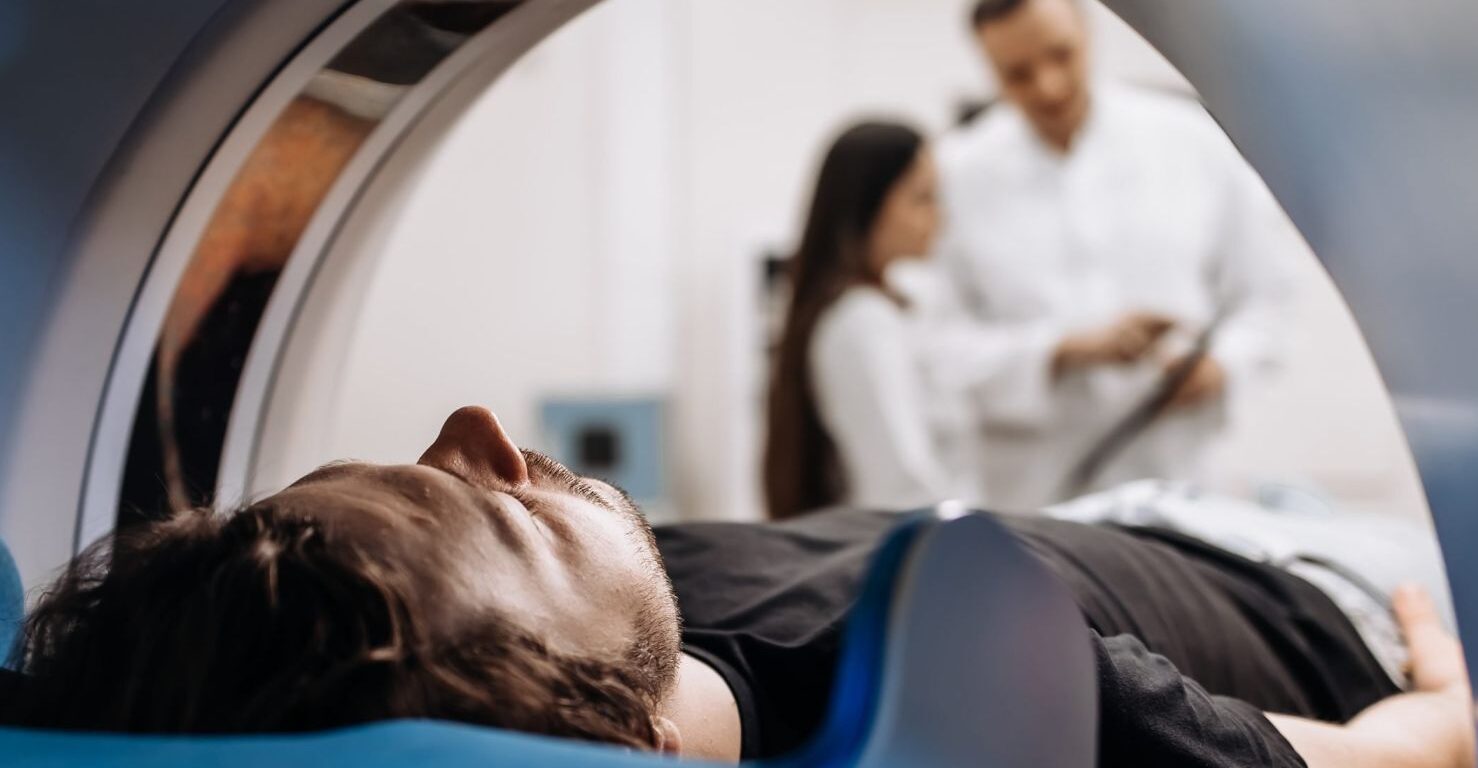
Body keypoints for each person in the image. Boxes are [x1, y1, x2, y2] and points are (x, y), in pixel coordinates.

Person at [6, 406, 1473, 768]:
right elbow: (1420, 747)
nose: (476, 430)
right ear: (624, 740)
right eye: (496, 513)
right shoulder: (999, 694)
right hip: (1313, 587)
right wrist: (1439, 668)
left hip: (1091, 522)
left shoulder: (637, 603)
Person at [935, 0, 1299, 508]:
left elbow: (1265, 293)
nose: (1048, 86)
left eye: (1061, 55)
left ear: (1088, 31)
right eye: (1018, 74)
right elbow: (936, 345)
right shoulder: (955, 175)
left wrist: (1218, 366)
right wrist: (1061, 351)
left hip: (1179, 480)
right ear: (987, 67)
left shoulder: (1191, 141)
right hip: (1031, 496)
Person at [764, 121, 986, 519]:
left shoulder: (889, 308)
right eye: (923, 198)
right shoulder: (863, 321)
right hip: (913, 544)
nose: (940, 217)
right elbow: (901, 488)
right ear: (870, 204)